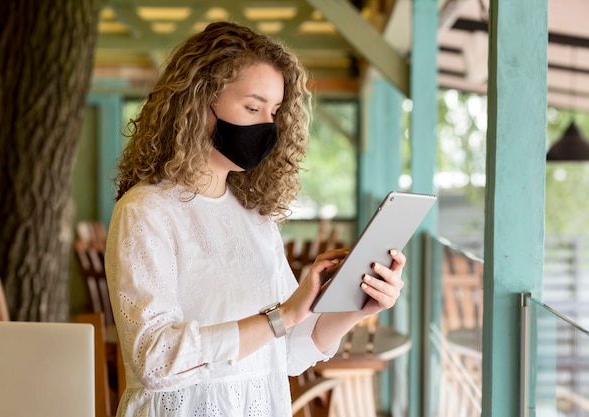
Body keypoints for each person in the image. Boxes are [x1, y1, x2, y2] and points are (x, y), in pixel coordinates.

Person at [105, 21, 406, 417]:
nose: (267, 125)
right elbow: (155, 359)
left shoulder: (255, 218)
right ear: (197, 102)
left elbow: (290, 351)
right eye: (252, 107)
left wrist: (357, 307)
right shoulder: (146, 211)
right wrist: (282, 315)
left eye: (274, 111)